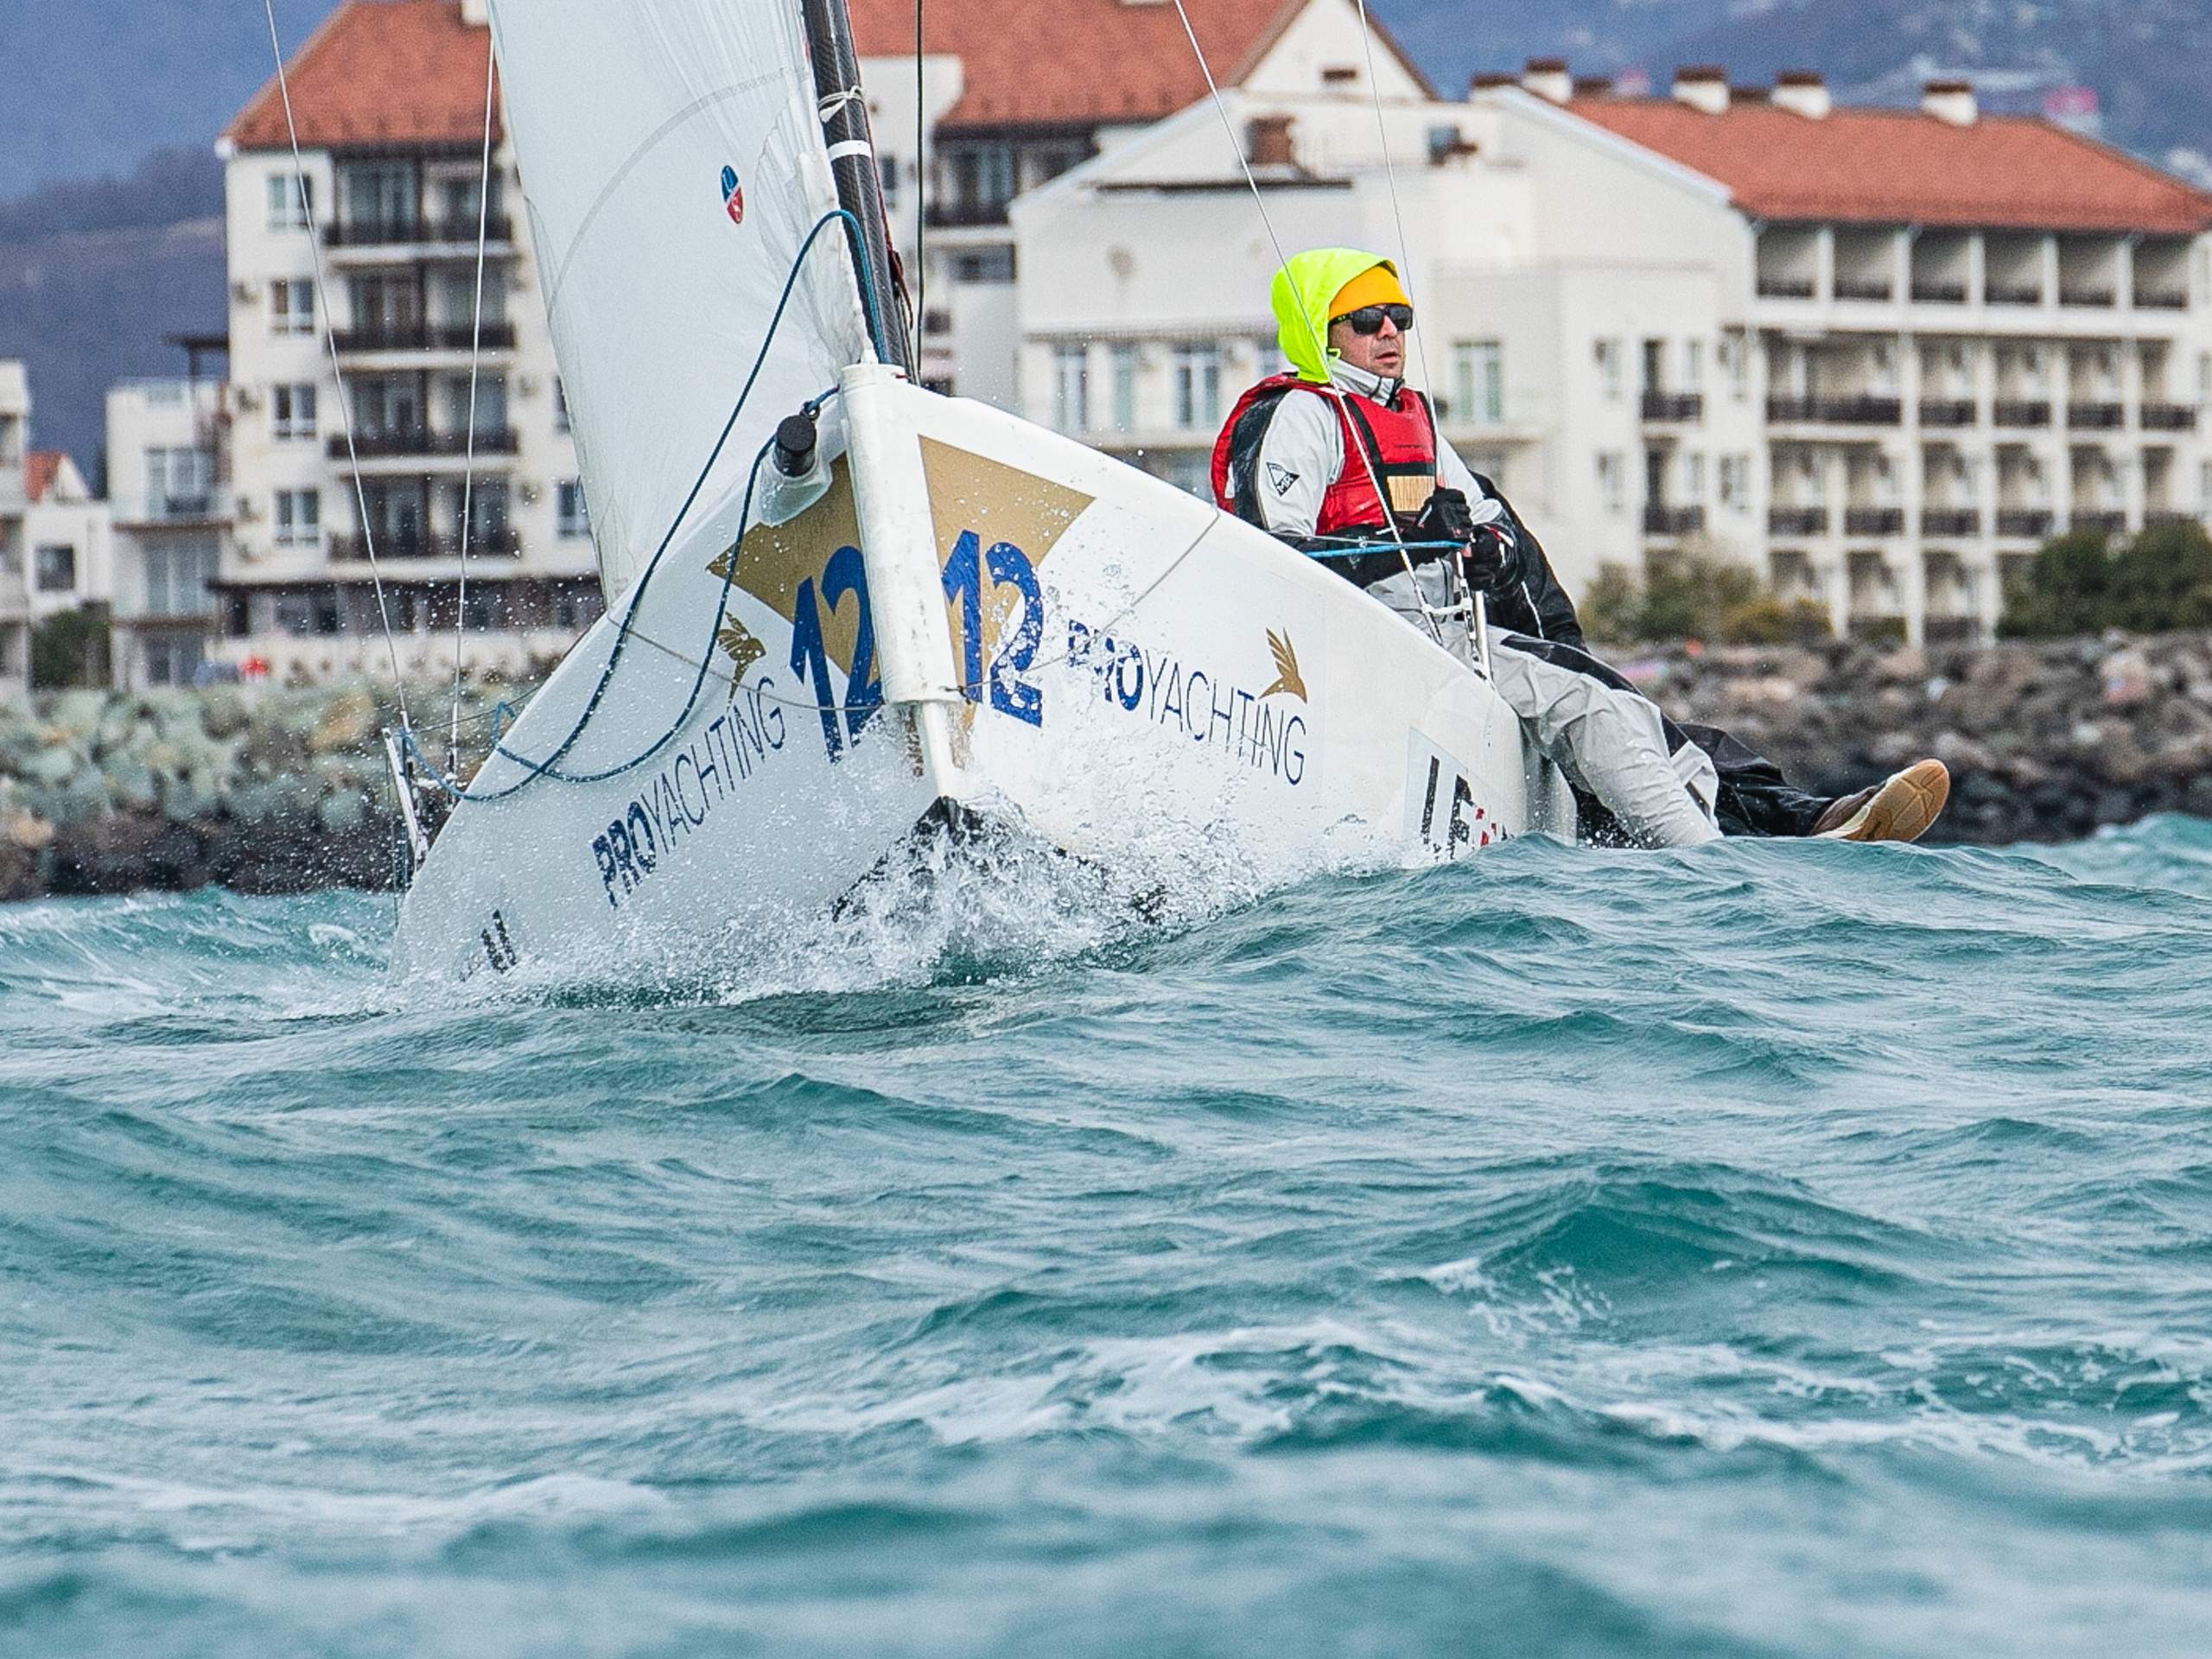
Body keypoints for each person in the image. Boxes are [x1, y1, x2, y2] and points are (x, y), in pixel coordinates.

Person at [1212, 247, 1948, 848]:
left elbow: (1487, 520)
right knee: (1596, 700)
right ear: (1320, 333)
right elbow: (1280, 554)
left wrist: (1486, 547)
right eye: (1365, 319)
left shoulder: (1411, 420)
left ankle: (1773, 829)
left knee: (1621, 705)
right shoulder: (1302, 415)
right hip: (1369, 640)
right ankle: (1721, 868)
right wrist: (1405, 540)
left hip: (1445, 634)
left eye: (1399, 317)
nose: (1390, 333)